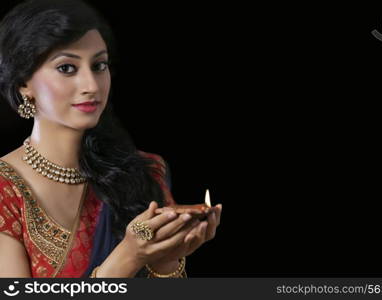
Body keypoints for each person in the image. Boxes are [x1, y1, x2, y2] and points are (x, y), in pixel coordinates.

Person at [0, 0, 222, 278]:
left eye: (99, 65)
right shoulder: (5, 191)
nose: (91, 86)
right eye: (67, 68)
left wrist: (167, 259)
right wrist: (128, 257)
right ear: (23, 83)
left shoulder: (145, 171)